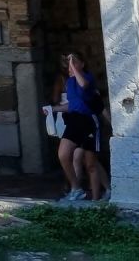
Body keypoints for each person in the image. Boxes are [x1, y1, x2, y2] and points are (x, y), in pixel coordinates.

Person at [54, 52, 107, 201]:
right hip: (75, 120)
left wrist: (73, 67)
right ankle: (76, 188)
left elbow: (83, 84)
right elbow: (72, 105)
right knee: (64, 154)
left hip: (88, 121)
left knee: (91, 163)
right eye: (68, 63)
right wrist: (53, 109)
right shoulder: (69, 82)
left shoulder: (87, 77)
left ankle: (97, 198)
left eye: (74, 62)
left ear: (82, 64)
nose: (70, 66)